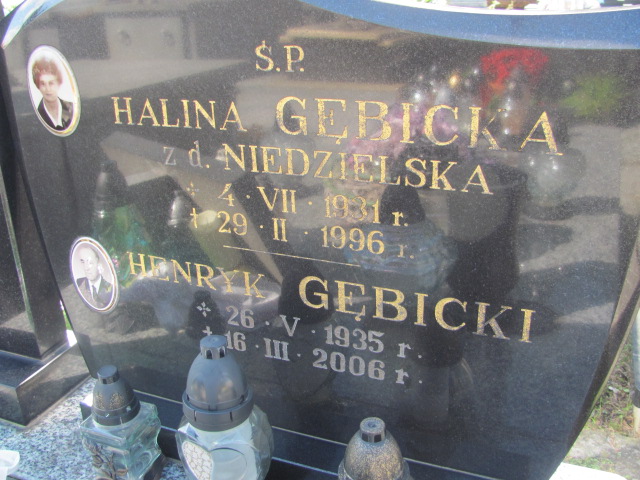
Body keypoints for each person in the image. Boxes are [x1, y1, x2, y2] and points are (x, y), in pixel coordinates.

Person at [31, 56, 73, 131]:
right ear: (38, 86)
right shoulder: (35, 116)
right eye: (43, 84)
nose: (47, 89)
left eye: (51, 83)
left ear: (58, 83)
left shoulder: (71, 108)